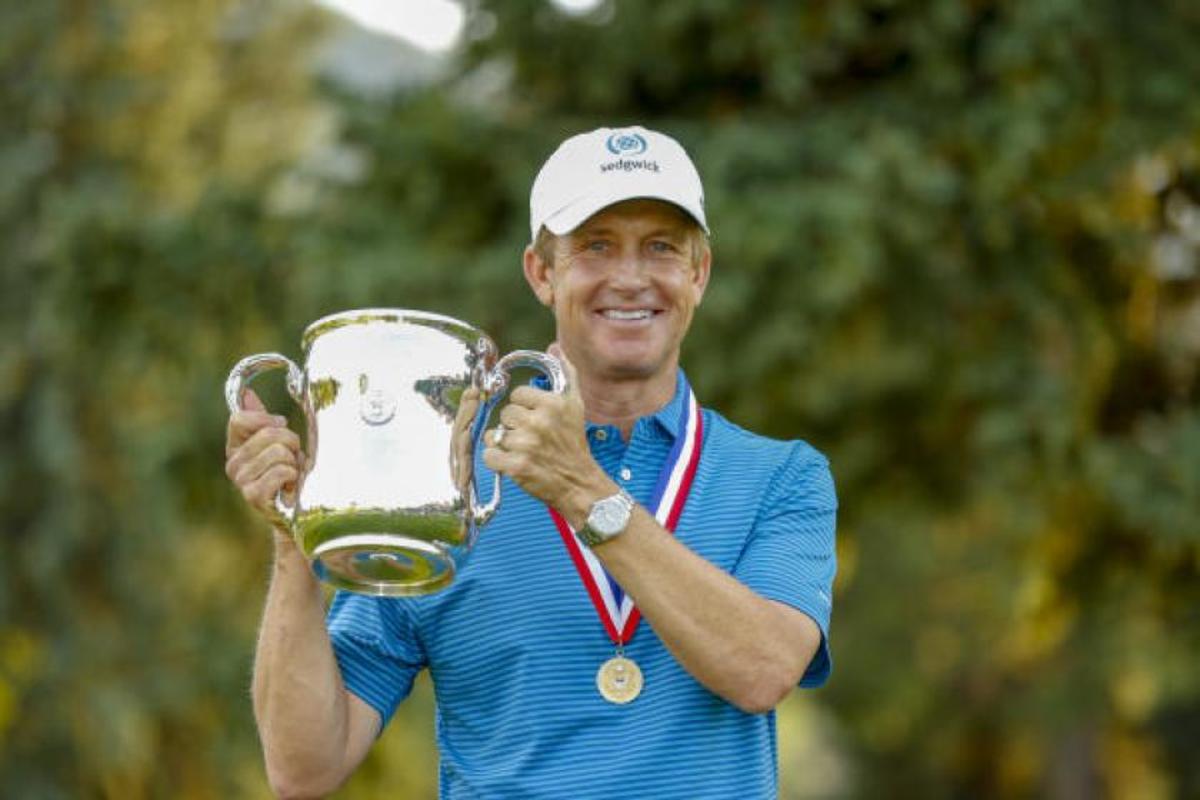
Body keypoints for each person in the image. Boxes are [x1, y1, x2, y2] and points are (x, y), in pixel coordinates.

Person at [224, 125, 837, 799]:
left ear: (699, 273)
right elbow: (305, 768)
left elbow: (764, 671)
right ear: (542, 273)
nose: (630, 277)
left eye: (660, 247)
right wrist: (294, 537)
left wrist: (583, 491)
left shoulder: (783, 477)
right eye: (596, 247)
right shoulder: (448, 481)